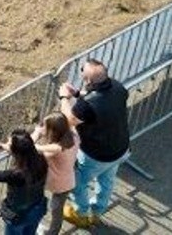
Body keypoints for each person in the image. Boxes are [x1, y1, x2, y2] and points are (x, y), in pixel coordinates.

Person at [60, 60, 131, 228]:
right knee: (107, 181)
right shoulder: (118, 87)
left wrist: (64, 97)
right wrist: (77, 94)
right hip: (120, 148)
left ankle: (81, 213)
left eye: (82, 70)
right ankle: (98, 211)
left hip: (96, 155)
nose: (81, 71)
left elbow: (70, 119)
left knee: (77, 183)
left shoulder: (88, 105)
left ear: (88, 80)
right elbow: (100, 105)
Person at [0, 130, 49, 235]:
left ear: (16, 151)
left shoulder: (15, 174)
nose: (7, 144)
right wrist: (1, 145)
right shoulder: (40, 159)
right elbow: (20, 150)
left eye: (9, 143)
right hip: (37, 209)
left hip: (19, 215)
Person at [34, 112, 79, 235]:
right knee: (56, 210)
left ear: (53, 131)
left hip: (59, 184)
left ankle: (52, 233)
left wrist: (37, 133)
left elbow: (33, 148)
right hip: (68, 179)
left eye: (46, 127)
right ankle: (53, 231)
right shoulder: (74, 136)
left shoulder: (56, 148)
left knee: (55, 210)